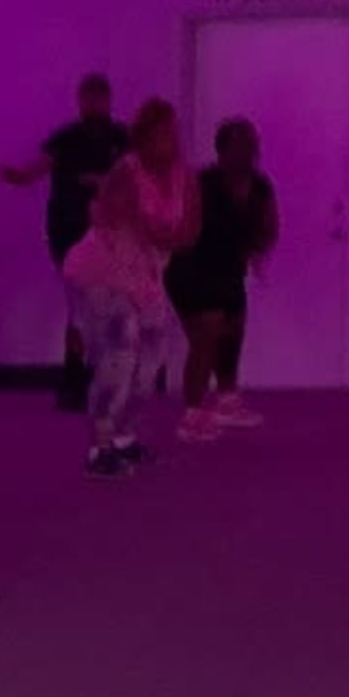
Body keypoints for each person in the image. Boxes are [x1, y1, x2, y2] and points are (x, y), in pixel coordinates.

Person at [63, 98, 200, 476]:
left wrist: (157, 233)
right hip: (104, 270)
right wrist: (150, 230)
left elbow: (187, 232)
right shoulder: (127, 171)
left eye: (170, 134)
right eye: (157, 135)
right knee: (121, 346)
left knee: (156, 350)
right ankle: (100, 444)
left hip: (145, 276)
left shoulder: (184, 178)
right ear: (141, 139)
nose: (166, 143)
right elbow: (110, 216)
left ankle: (125, 435)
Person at [2, 72, 130, 410]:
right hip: (70, 233)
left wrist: (104, 182)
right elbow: (38, 167)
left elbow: (137, 178)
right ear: (79, 100)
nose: (93, 103)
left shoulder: (122, 137)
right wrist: (18, 176)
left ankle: (108, 377)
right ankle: (74, 380)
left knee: (112, 307)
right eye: (87, 97)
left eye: (99, 97)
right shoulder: (66, 138)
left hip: (112, 236)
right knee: (79, 308)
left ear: (108, 99)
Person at [167, 116, 279, 444]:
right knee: (205, 338)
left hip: (230, 271)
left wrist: (259, 252)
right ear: (223, 150)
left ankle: (227, 400)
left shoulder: (261, 186)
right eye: (240, 145)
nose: (248, 152)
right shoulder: (202, 183)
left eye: (251, 144)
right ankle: (192, 413)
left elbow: (270, 225)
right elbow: (180, 225)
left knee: (233, 331)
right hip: (193, 270)